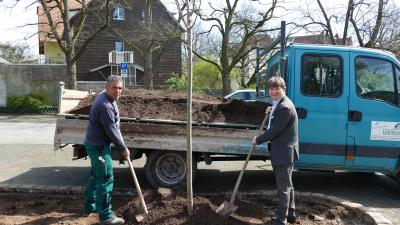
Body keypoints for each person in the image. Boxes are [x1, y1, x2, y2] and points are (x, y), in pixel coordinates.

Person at [252, 76, 299, 225]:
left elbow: (275, 131)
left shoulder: (285, 107)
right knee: (288, 185)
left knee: (283, 188)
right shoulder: (280, 104)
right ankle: (290, 214)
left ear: (283, 89)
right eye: (271, 89)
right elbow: (277, 119)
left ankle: (281, 220)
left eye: (276, 88)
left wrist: (258, 139)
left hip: (283, 153)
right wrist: (272, 111)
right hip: (286, 151)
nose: (273, 91)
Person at [83, 75, 130, 225]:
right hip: (98, 147)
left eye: (120, 88)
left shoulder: (106, 98)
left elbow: (114, 125)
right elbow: (111, 130)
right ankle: (106, 216)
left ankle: (89, 206)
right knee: (105, 178)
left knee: (95, 176)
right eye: (114, 87)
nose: (118, 91)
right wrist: (123, 148)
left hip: (94, 143)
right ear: (107, 87)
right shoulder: (106, 106)